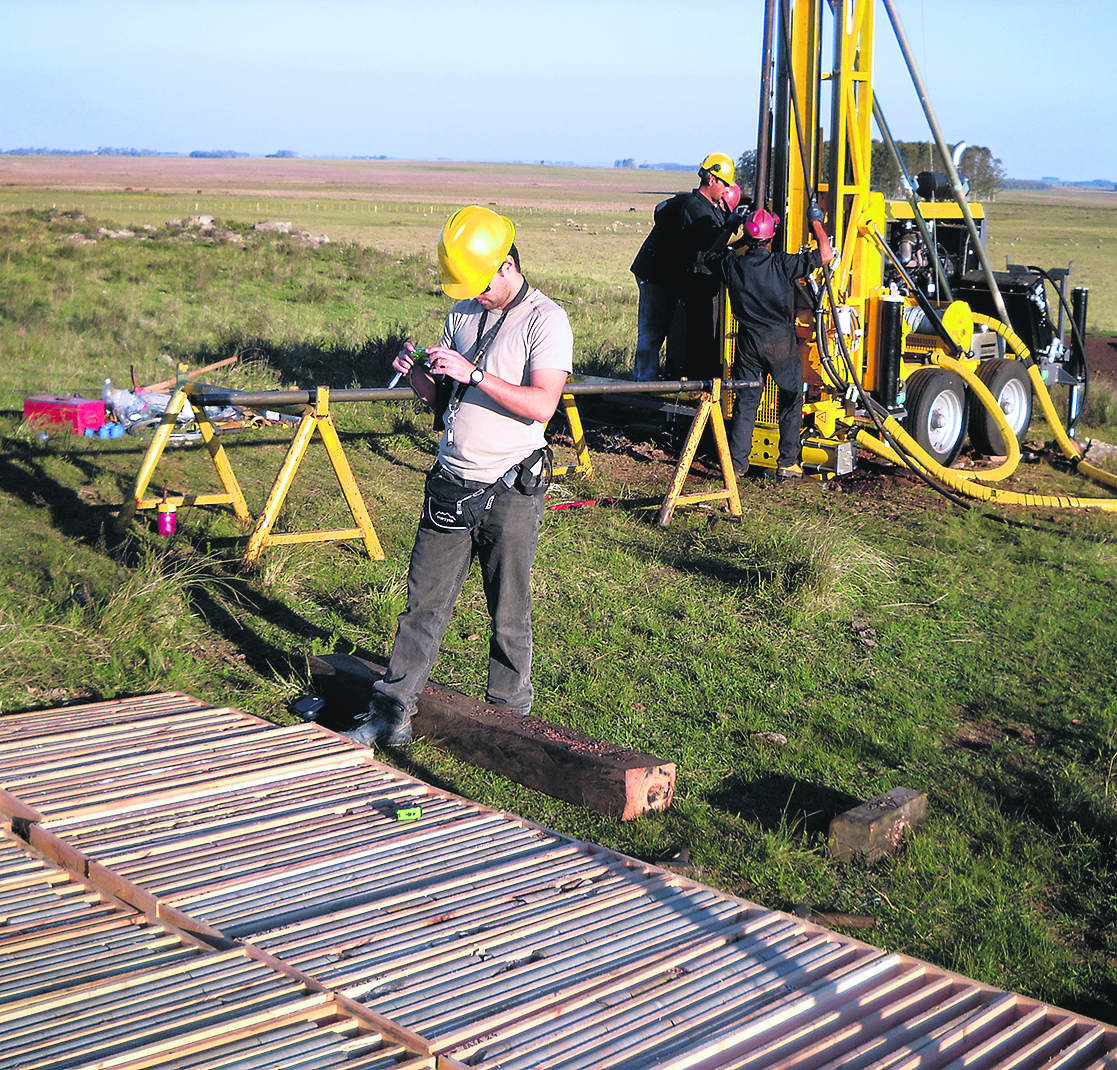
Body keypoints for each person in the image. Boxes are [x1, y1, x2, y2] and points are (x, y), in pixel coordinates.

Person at [344, 205, 573, 747]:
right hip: (451, 480)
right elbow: (443, 401)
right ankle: (391, 711)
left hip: (511, 485)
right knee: (422, 603)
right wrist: (421, 376)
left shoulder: (546, 319)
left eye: (479, 285)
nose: (474, 295)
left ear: (507, 265)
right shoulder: (464, 315)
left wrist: (475, 373)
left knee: (508, 610)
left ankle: (509, 724)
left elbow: (543, 404)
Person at [707, 207, 833, 479]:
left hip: (748, 343)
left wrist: (730, 226)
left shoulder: (733, 265)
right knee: (790, 398)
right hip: (779, 344)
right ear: (771, 237)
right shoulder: (783, 264)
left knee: (747, 402)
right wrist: (816, 222)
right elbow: (826, 254)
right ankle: (787, 462)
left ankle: (737, 466)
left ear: (748, 235)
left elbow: (708, 254)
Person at [629, 152, 739, 381]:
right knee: (653, 332)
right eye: (726, 184)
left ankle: (659, 379)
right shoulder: (694, 207)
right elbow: (711, 242)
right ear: (712, 180)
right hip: (656, 275)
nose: (727, 190)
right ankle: (644, 383)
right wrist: (732, 226)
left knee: (671, 326)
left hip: (672, 275)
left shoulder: (710, 206)